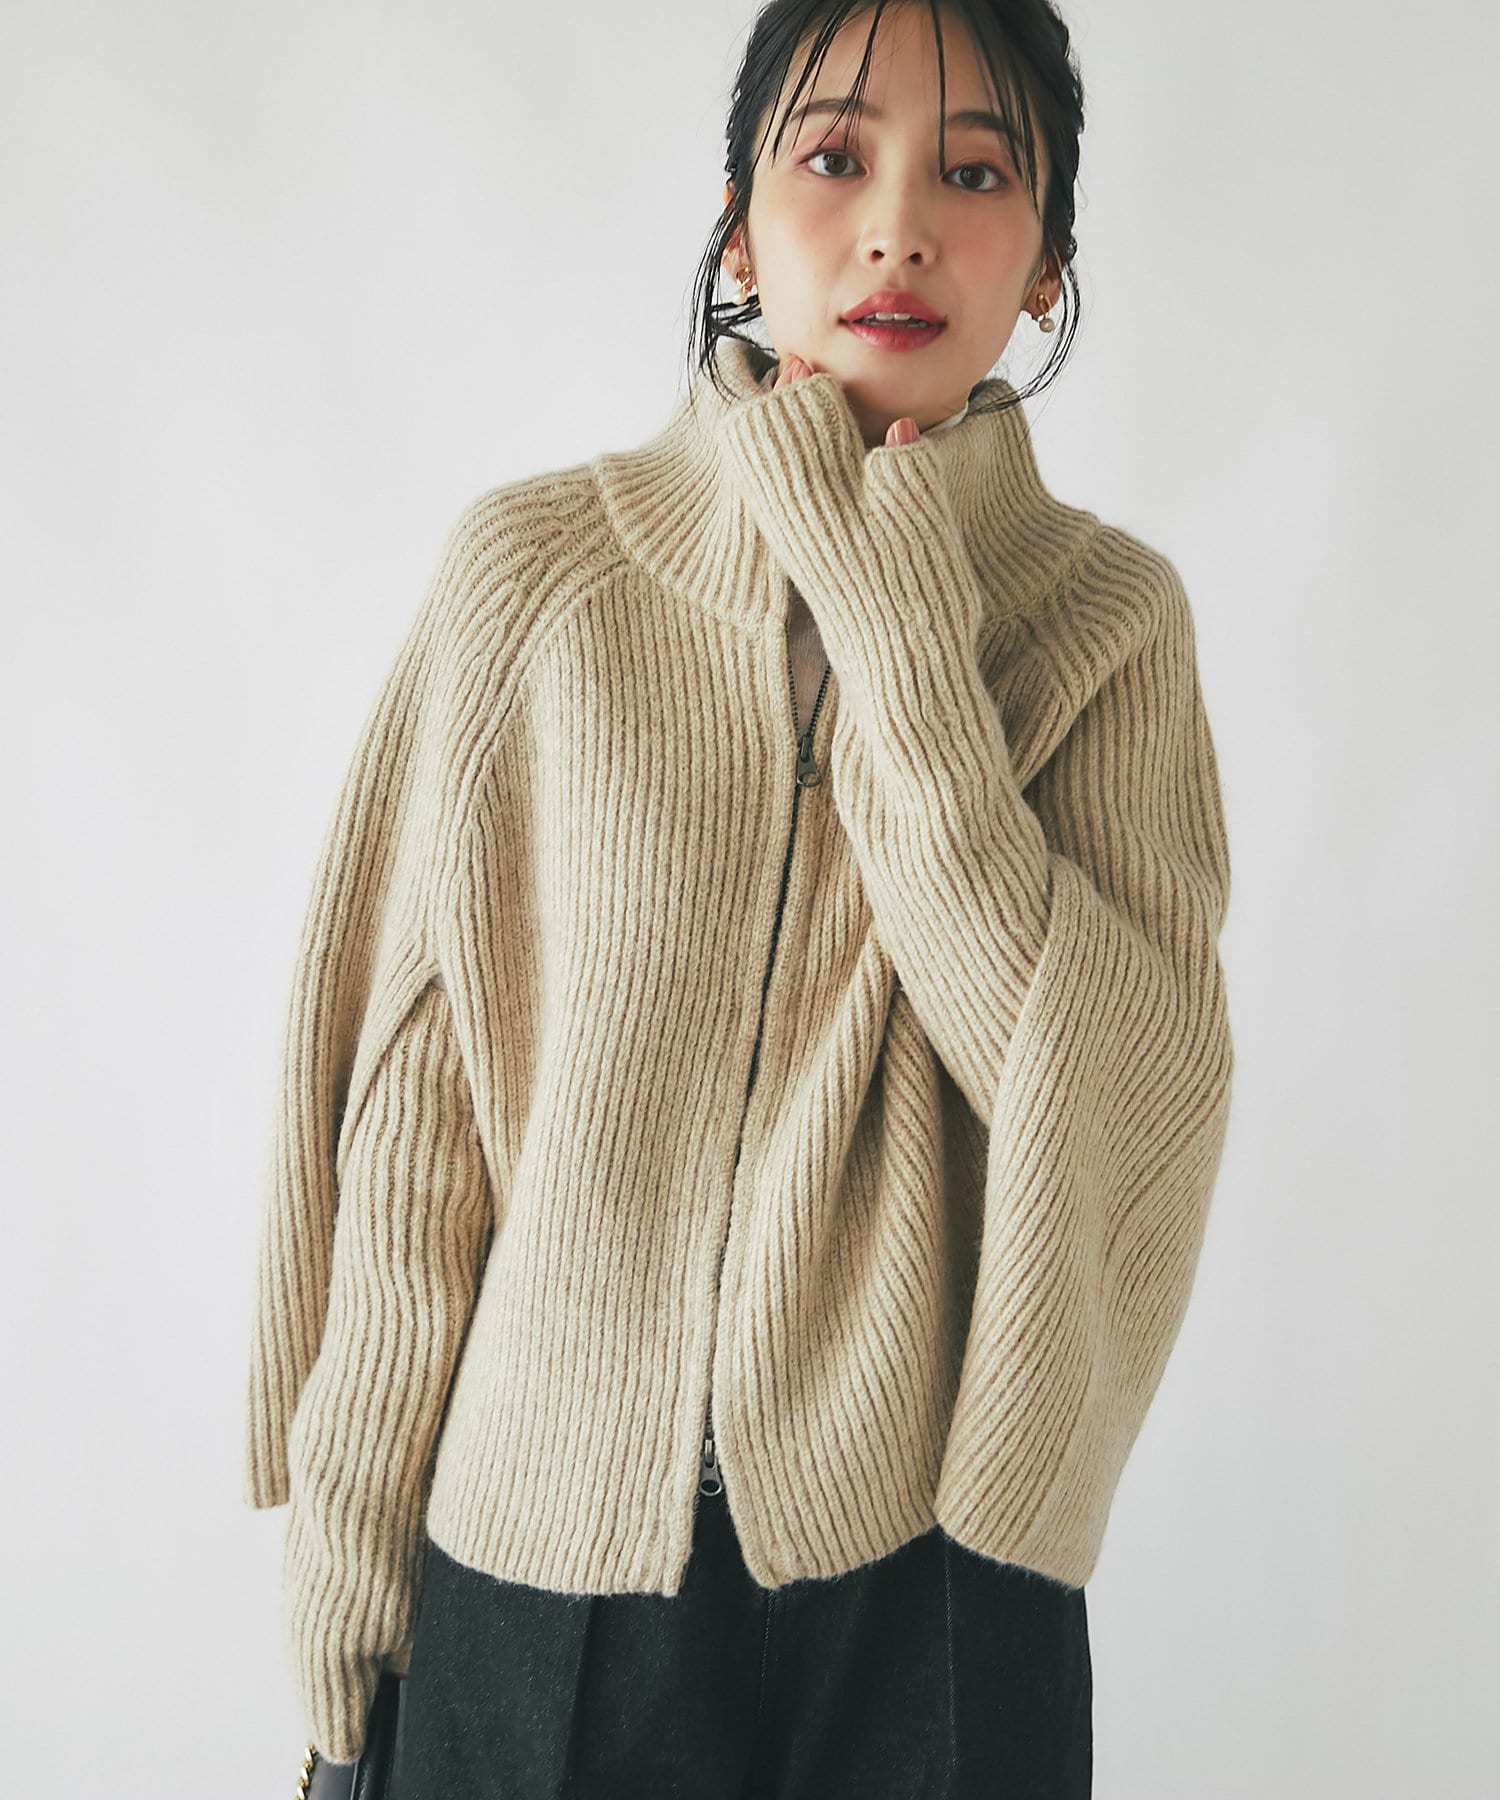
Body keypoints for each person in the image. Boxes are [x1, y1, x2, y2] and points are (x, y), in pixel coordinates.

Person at [245, 1, 1235, 1795]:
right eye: (834, 156)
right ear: (738, 227)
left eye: (977, 174)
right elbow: (414, 1125)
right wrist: (346, 1590)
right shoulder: (538, 575)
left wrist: (898, 624)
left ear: (1048, 270)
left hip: (933, 1589)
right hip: (539, 1569)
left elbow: (1096, 1093)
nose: (898, 226)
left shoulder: (1108, 625)